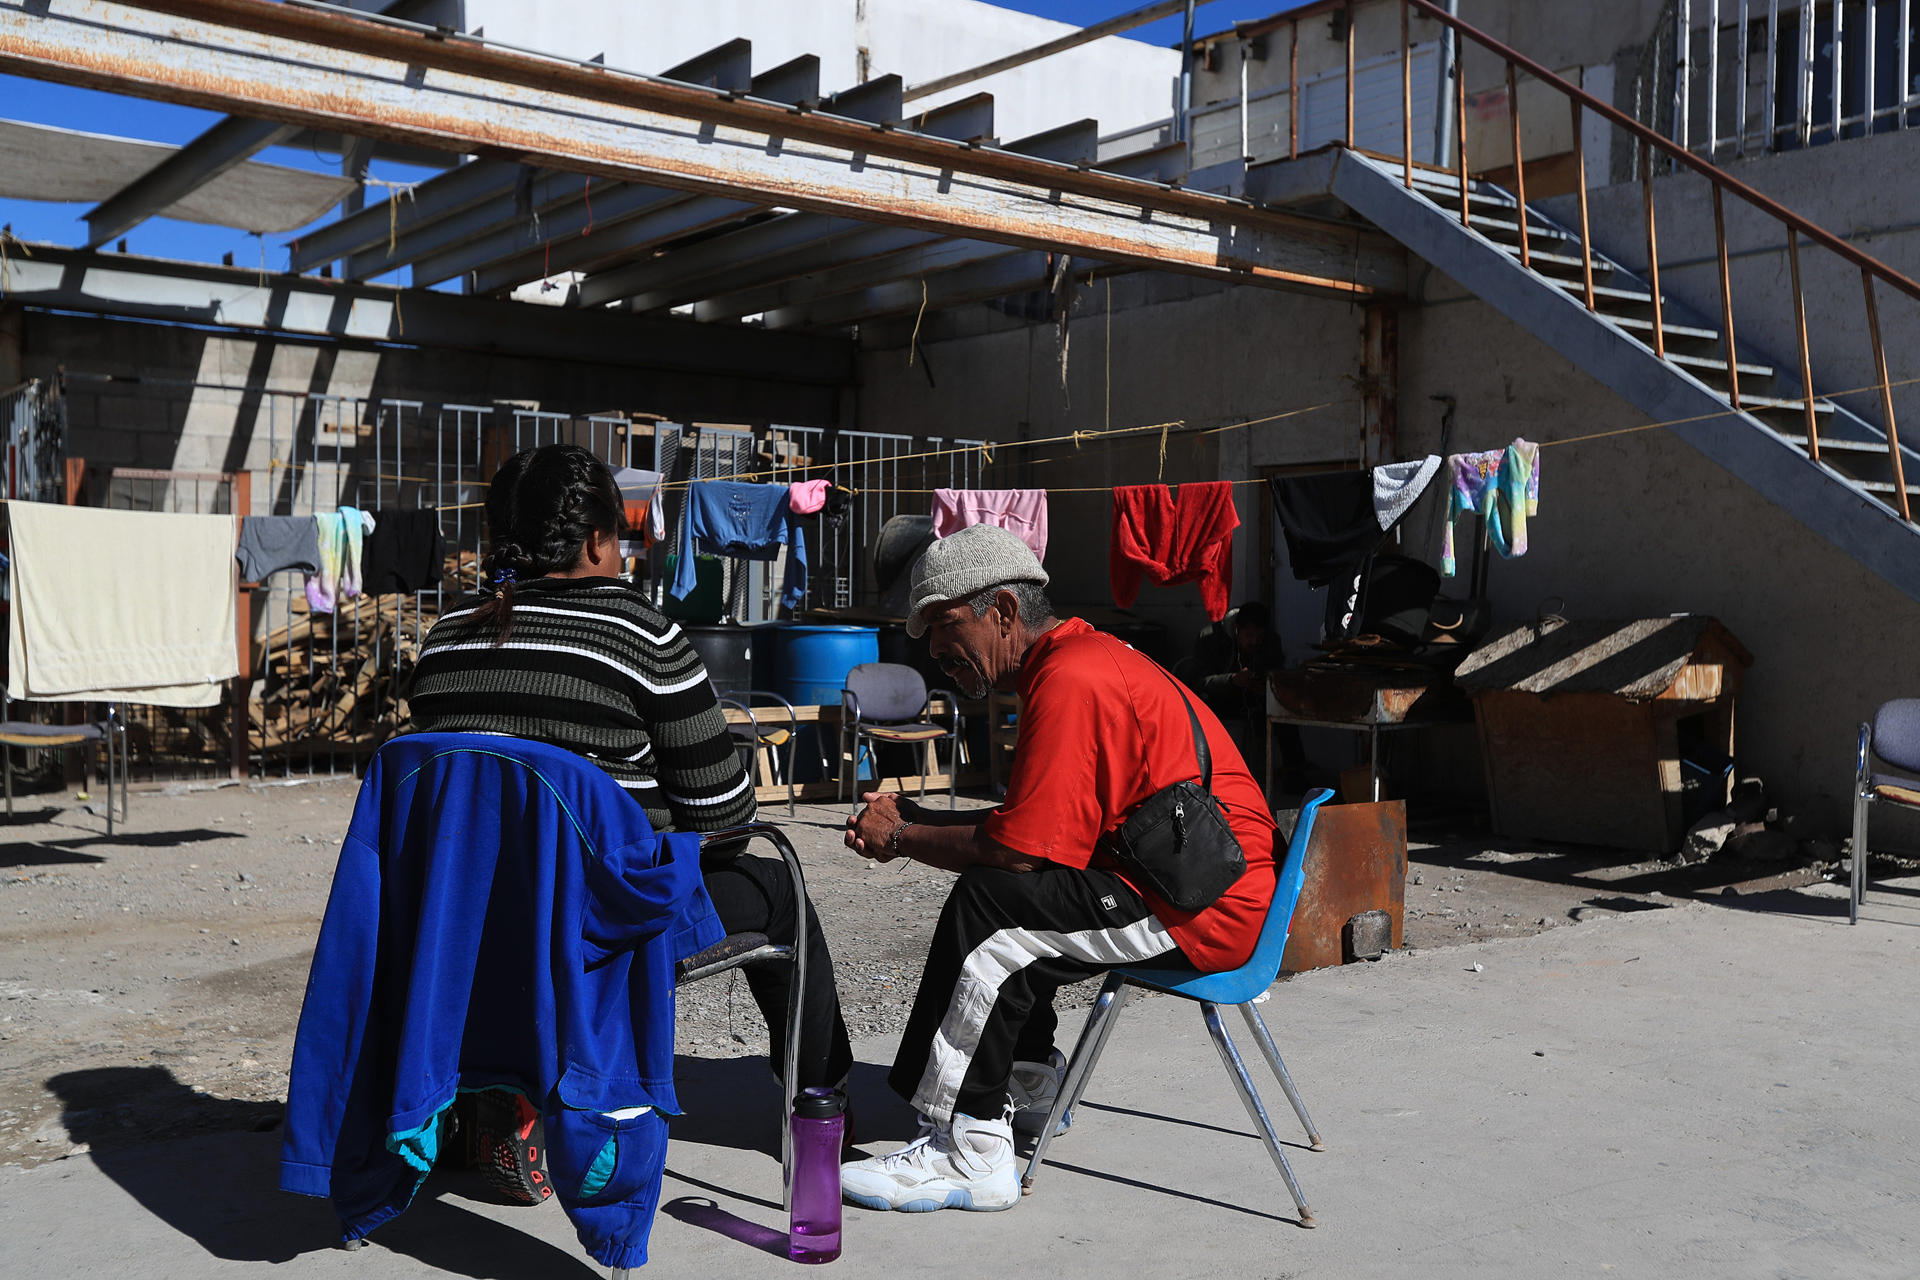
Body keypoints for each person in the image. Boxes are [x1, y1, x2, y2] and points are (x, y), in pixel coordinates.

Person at [407, 444, 853, 1189]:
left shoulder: (443, 642)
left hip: (464, 932)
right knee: (779, 892)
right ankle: (822, 1105)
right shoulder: (641, 635)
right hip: (595, 930)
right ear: (594, 541)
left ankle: (496, 1090)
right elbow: (723, 820)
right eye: (621, 535)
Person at [838, 524, 1278, 1213]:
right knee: (1017, 899)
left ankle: (970, 1149)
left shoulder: (1071, 677)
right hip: (1189, 876)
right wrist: (913, 816)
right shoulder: (1078, 660)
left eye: (946, 625)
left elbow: (1016, 853)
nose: (935, 651)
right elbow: (1034, 832)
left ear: (1004, 612)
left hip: (1201, 902)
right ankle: (1030, 1082)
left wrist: (901, 837)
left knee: (992, 909)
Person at [1190, 600, 1306, 792]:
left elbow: (1275, 670)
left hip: (1255, 700)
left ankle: (1294, 774)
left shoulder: (1270, 642)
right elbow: (1198, 682)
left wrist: (1264, 686)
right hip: (1220, 701)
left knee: (1285, 716)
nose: (1254, 642)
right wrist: (1232, 680)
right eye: (1249, 636)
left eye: (1259, 637)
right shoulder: (1210, 639)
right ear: (1236, 629)